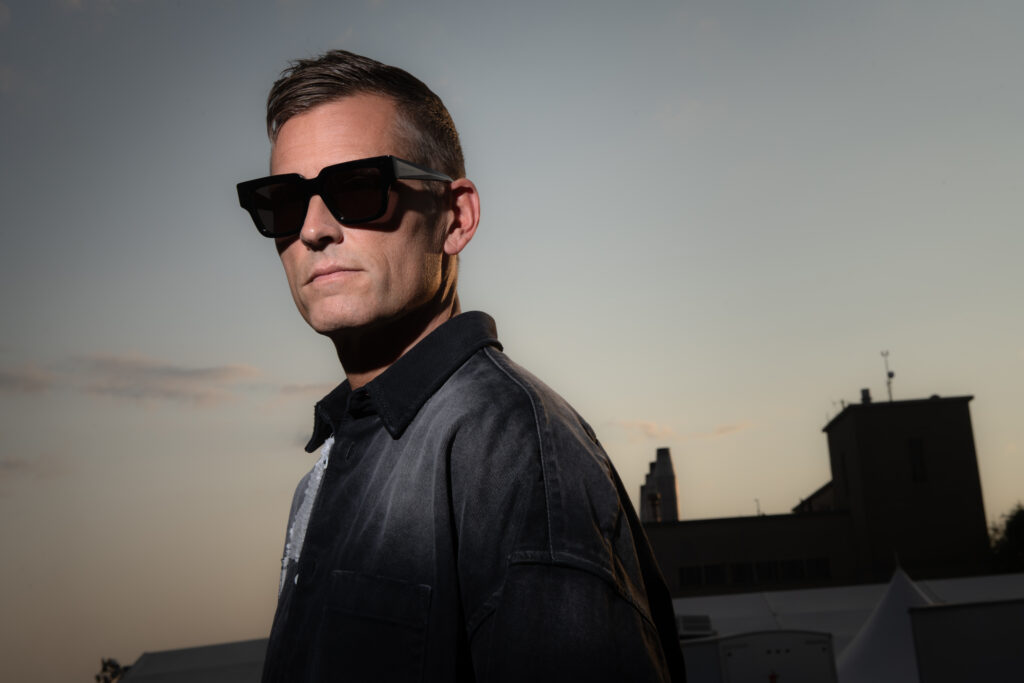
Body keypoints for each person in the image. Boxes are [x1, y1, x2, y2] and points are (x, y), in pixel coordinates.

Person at [236, 49, 685, 682]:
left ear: (456, 218)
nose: (313, 230)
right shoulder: (326, 471)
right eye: (284, 201)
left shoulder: (512, 451)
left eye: (357, 188)